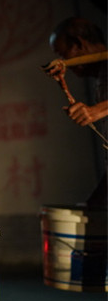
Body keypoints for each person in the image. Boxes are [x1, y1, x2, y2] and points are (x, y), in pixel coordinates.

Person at [45, 16, 107, 208]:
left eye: (64, 55)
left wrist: (98, 110)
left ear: (79, 44)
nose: (64, 62)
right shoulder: (101, 76)